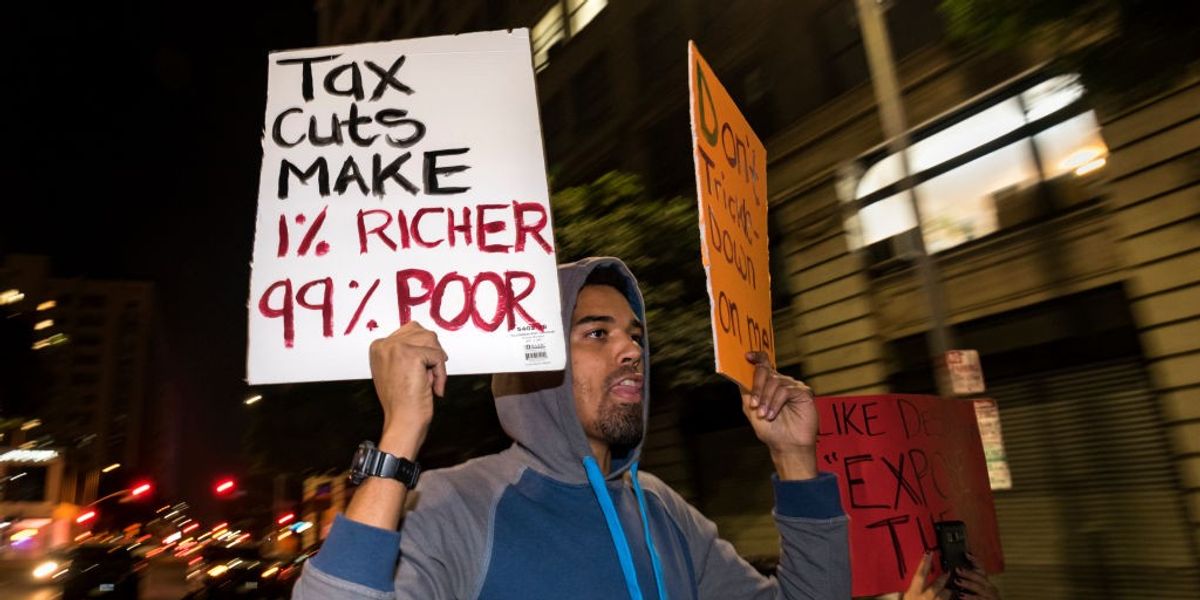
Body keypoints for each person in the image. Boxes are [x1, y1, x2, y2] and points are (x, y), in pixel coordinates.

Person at [292, 257, 850, 599]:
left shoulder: (664, 511)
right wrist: (402, 431)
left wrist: (796, 460)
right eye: (596, 334)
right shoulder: (454, 505)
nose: (633, 350)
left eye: (634, 335)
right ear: (536, 359)